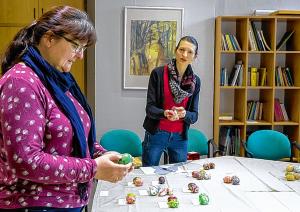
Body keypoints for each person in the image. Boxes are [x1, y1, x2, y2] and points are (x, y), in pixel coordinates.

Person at [0, 6, 132, 211]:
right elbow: (26, 160)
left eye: (84, 48)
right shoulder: (21, 82)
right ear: (50, 38)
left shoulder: (56, 80)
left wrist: (101, 155)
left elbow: (71, 138)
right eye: (76, 46)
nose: (80, 56)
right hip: (34, 204)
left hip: (64, 202)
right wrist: (94, 168)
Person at [142, 36, 201, 166]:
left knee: (178, 176)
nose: (184, 54)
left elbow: (194, 115)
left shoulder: (195, 82)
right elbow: (150, 108)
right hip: (156, 134)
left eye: (190, 52)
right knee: (148, 174)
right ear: (176, 50)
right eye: (181, 49)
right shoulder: (157, 74)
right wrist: (165, 113)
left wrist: (185, 114)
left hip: (180, 137)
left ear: (195, 56)